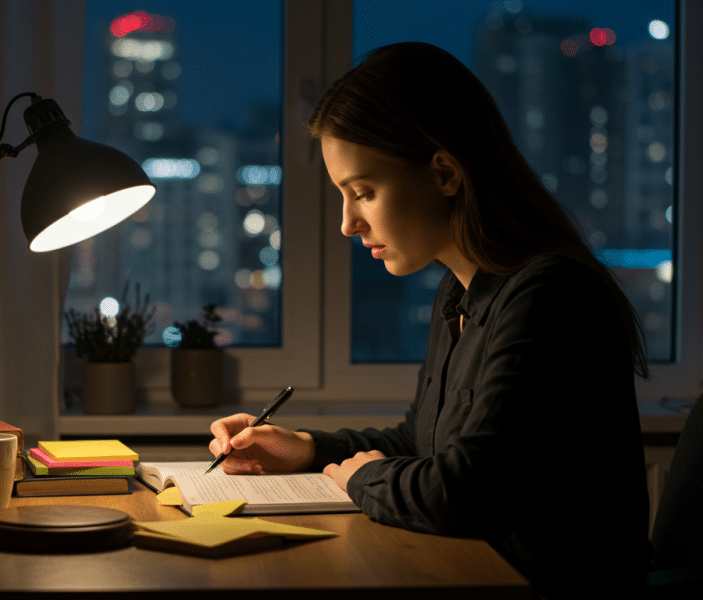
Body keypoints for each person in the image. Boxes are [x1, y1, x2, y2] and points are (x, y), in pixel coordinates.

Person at [209, 42, 652, 599]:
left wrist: (363, 479)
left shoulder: (549, 296)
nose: (348, 224)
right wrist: (304, 448)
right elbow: (422, 442)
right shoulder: (461, 291)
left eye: (363, 192)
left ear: (444, 173)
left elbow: (468, 492)